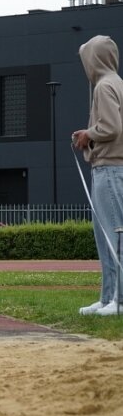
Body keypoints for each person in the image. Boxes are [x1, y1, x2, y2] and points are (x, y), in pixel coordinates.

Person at [72, 35, 123, 316]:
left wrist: (88, 134)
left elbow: (111, 128)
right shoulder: (117, 84)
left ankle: (119, 300)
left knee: (114, 235)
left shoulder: (104, 87)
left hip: (110, 168)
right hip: (113, 166)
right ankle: (108, 298)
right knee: (107, 236)